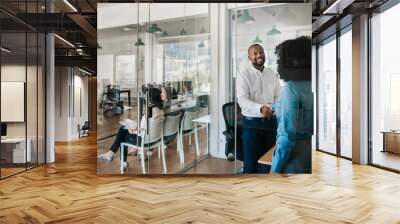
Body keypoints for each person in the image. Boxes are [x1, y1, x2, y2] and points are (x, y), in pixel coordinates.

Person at [236, 43, 281, 173]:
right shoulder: (244, 75)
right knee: (251, 164)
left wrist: (273, 108)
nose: (259, 55)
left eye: (261, 52)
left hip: (271, 124)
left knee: (269, 162)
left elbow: (278, 97)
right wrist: (261, 108)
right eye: (255, 53)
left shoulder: (272, 74)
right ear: (249, 58)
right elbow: (242, 100)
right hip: (252, 125)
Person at [271, 36, 313, 174]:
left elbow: (287, 136)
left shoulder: (291, 87)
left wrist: (274, 170)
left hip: (294, 157)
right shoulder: (314, 83)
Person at [98, 87, 167, 169]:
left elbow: (142, 132)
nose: (145, 98)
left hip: (144, 141)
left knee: (122, 133)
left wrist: (132, 130)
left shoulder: (149, 113)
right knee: (123, 129)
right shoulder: (160, 111)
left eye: (147, 97)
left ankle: (121, 161)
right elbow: (147, 128)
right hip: (155, 139)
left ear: (150, 98)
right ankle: (111, 154)